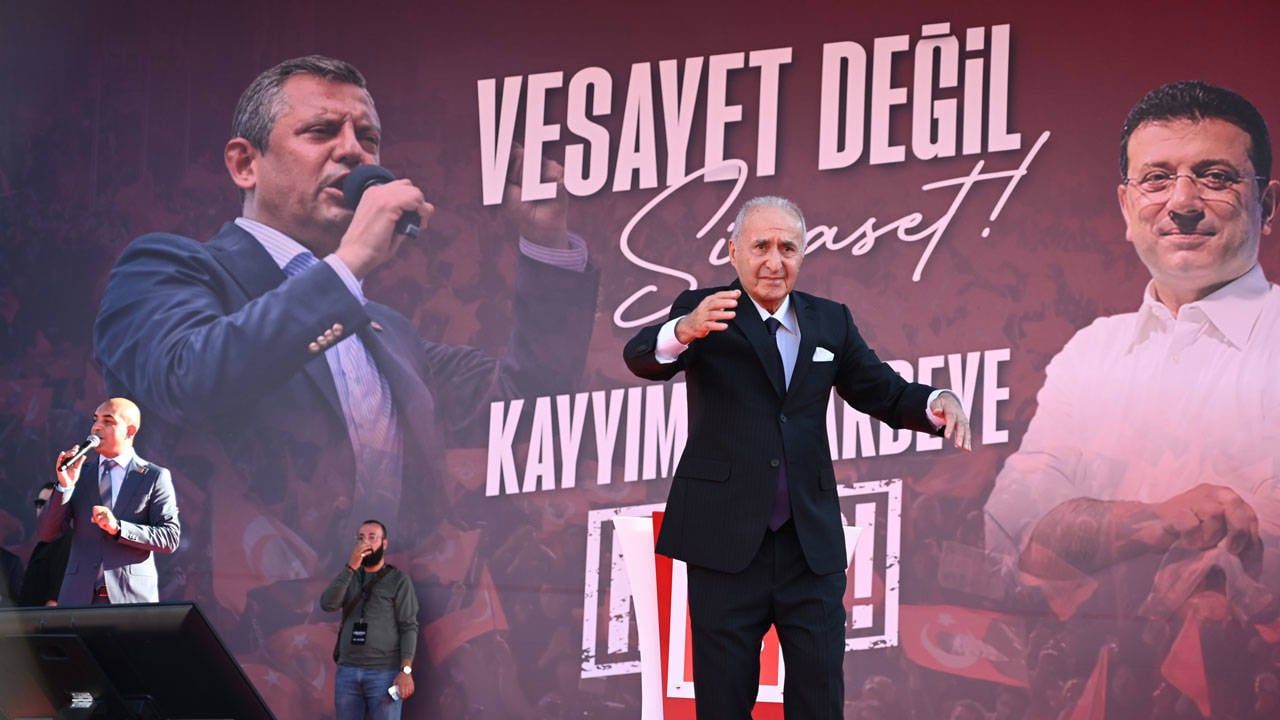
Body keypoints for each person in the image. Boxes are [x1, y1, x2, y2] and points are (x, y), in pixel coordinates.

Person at [92, 55, 598, 565]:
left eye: (368, 138)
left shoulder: (390, 333)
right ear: (246, 164)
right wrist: (348, 263)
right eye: (321, 131)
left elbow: (529, 405)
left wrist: (546, 240)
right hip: (214, 606)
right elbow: (189, 379)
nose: (355, 150)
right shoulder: (165, 267)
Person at [983, 81, 1280, 718]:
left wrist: (1101, 529)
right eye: (1156, 179)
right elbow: (1016, 539)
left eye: (1215, 177)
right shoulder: (1091, 353)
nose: (1183, 203)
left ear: (1267, 204)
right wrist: (1160, 519)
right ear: (1125, 204)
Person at [623, 196, 971, 718]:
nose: (774, 261)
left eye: (787, 248)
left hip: (808, 547)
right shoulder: (704, 310)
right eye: (760, 246)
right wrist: (682, 331)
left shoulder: (830, 321)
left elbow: (881, 389)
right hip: (724, 542)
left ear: (803, 254)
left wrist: (935, 401)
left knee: (820, 699)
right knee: (723, 703)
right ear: (734, 251)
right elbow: (641, 358)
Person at [36, 397, 181, 605]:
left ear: (130, 431)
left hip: (130, 599)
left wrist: (119, 528)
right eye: (95, 419)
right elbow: (47, 533)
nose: (96, 427)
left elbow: (169, 537)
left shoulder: (153, 476)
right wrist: (65, 486)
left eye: (108, 421)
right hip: (78, 598)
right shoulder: (79, 473)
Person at [320, 519, 419, 720]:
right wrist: (350, 567)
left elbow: (409, 626)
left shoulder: (399, 580)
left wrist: (406, 670)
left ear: (384, 544)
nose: (365, 542)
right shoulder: (349, 575)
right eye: (361, 538)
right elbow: (328, 604)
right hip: (348, 669)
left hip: (384, 672)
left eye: (372, 537)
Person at [18, 482, 72, 606]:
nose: (43, 509)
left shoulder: (67, 543)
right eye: (40, 503)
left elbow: (54, 601)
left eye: (50, 505)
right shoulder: (41, 545)